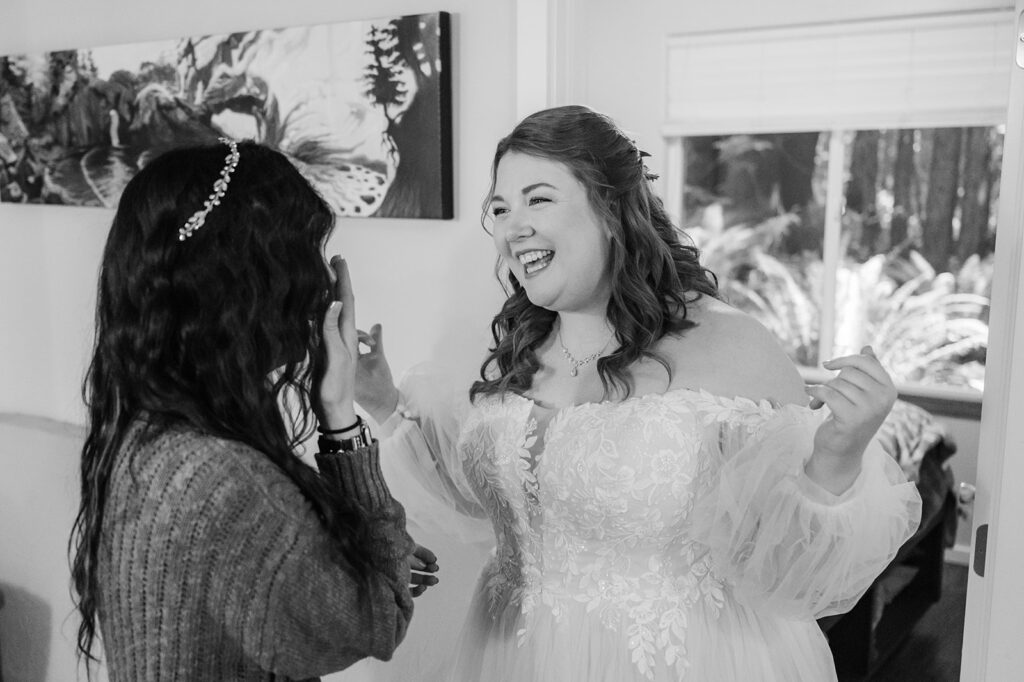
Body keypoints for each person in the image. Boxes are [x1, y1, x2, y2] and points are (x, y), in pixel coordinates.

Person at [354, 106, 922, 682]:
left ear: (610, 208)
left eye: (538, 199)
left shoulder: (734, 346)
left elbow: (789, 571)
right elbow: (479, 503)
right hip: (509, 655)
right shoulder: (515, 351)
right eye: (500, 208)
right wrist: (379, 401)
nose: (511, 226)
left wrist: (838, 453)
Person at [68, 138, 438, 681]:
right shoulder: (225, 480)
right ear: (247, 278)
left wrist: (351, 552)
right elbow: (377, 620)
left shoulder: (149, 430)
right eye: (301, 253)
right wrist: (339, 415)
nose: (320, 279)